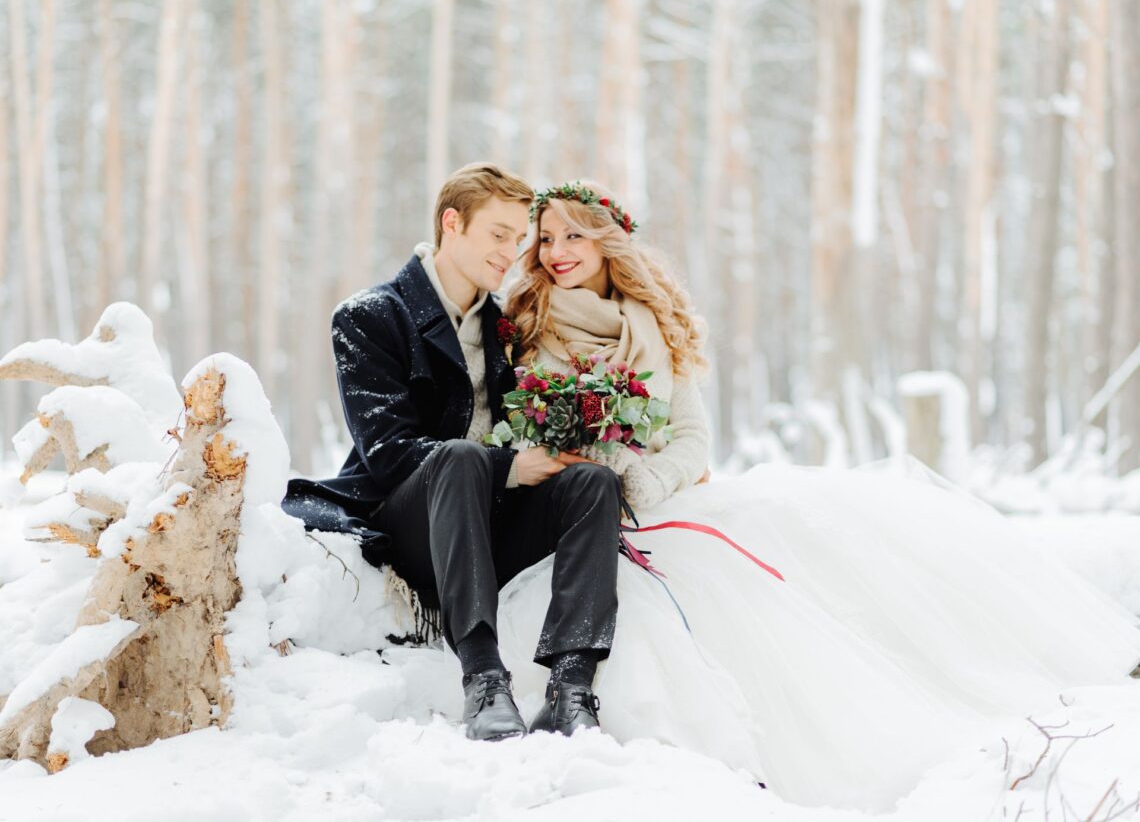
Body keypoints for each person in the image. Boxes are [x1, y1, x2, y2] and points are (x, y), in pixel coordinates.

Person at [497, 179, 1140, 810]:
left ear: (609, 243)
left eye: (574, 236)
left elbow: (692, 437)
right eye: (546, 238)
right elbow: (508, 431)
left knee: (799, 536)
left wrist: (649, 477)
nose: (557, 250)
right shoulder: (525, 325)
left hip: (658, 499)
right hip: (574, 511)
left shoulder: (654, 326)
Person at [283, 164, 622, 742]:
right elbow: (388, 453)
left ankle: (571, 687)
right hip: (412, 528)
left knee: (594, 484)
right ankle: (485, 679)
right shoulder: (370, 317)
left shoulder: (508, 328)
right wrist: (508, 466)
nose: (511, 253)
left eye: (519, 240)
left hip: (490, 523)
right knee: (460, 457)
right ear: (451, 224)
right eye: (498, 234)